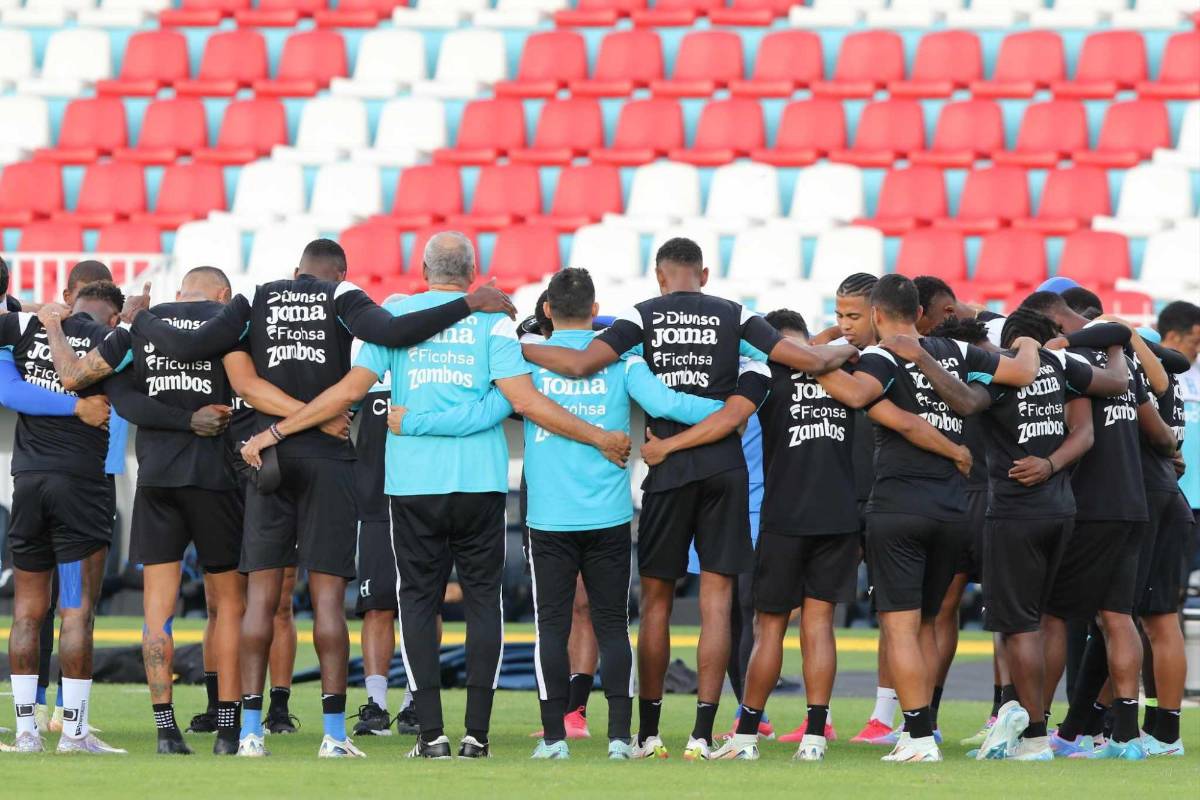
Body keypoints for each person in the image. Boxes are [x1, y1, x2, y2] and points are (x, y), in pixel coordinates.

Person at [54, 238, 517, 759]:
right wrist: (468, 303)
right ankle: (329, 733)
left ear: (295, 271)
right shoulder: (345, 298)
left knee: (242, 601)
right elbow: (390, 333)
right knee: (307, 602)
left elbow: (176, 367)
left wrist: (130, 321)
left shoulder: (250, 301)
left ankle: (234, 731)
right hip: (302, 465)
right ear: (340, 272)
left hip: (235, 465)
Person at [240, 234, 631, 760]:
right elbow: (522, 402)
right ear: (473, 273)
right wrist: (600, 436)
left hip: (413, 486)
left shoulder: (396, 318)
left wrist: (278, 431)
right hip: (479, 483)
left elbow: (349, 392)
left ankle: (431, 735)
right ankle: (477, 735)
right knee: (483, 605)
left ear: (424, 269)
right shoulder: (493, 322)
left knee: (417, 605)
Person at [522, 238, 858, 760]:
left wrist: (515, 348)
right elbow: (804, 359)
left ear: (659, 276)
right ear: (703, 272)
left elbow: (581, 363)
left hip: (668, 467)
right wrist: (844, 345)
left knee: (656, 602)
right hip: (725, 468)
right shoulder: (736, 315)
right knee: (717, 605)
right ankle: (702, 734)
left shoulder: (641, 316)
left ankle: (649, 732)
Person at [396, 268, 739, 760]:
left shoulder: (526, 365)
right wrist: (734, 406)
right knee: (612, 626)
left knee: (551, 630)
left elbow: (488, 412)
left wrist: (417, 421)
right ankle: (620, 738)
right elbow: (671, 404)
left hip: (549, 520)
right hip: (610, 515)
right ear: (596, 310)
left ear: (548, 311)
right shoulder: (624, 362)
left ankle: (555, 739)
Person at [713, 309, 975, 763]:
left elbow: (731, 420)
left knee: (769, 626)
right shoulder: (852, 370)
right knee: (819, 625)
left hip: (785, 514)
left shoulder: (768, 373)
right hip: (839, 515)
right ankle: (815, 736)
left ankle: (747, 736)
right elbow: (905, 422)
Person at [814, 274, 1039, 763]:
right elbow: (1022, 373)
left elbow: (855, 397)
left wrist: (810, 364)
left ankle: (916, 737)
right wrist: (1027, 341)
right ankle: (925, 728)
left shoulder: (880, 355)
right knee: (931, 623)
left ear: (876, 315)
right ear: (918, 312)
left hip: (898, 503)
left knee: (899, 625)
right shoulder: (952, 353)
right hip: (955, 508)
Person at [942, 310, 1127, 760]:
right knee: (1045, 621)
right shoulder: (1063, 369)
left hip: (1012, 512)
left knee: (1017, 627)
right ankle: (1020, 725)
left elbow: (965, 403)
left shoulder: (998, 373)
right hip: (1061, 510)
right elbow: (1113, 390)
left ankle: (1035, 737)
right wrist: (1050, 465)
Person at [1020, 292, 1177, 760]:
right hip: (1134, 501)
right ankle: (1124, 734)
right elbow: (1159, 429)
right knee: (1116, 615)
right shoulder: (1122, 362)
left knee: (1050, 616)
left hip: (1091, 504)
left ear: (1052, 323)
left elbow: (1079, 435)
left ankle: (1036, 731)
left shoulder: (1070, 362)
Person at [0, 281, 132, 754]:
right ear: (111, 315)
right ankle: (73, 731)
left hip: (30, 488)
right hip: (80, 491)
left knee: (28, 610)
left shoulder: (23, 330)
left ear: (70, 300)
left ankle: (25, 734)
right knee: (75, 607)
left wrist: (36, 310)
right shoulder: (114, 342)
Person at [349, 293, 414, 738]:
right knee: (377, 605)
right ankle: (375, 703)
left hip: (422, 502)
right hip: (374, 503)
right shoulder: (364, 365)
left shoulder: (429, 367)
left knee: (419, 607)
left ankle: (416, 701)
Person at [1129, 326, 1190, 757]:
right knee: (1152, 620)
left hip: (1154, 504)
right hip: (1168, 501)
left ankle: (1166, 733)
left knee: (1155, 620)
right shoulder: (1168, 383)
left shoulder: (1151, 387)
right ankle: (1158, 726)